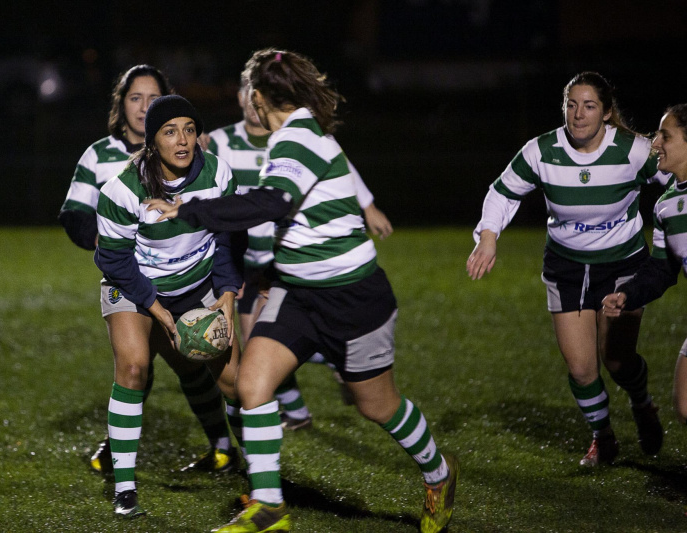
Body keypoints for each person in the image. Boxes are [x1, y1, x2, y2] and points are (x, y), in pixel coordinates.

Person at [146, 48, 458, 533]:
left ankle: (439, 473)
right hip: (297, 292)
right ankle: (269, 507)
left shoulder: (298, 138)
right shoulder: (292, 135)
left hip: (353, 296)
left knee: (377, 405)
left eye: (249, 88)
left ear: (259, 94)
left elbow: (273, 202)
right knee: (252, 385)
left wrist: (191, 210)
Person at [467, 72, 670, 466]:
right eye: (571, 105)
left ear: (607, 113)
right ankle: (603, 436)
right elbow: (503, 190)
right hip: (567, 267)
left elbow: (677, 177)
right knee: (580, 369)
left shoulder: (632, 150)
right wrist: (488, 235)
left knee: (617, 361)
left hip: (623, 266)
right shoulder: (542, 151)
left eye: (589, 105)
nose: (578, 115)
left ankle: (643, 404)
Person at [59, 66, 239, 482]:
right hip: (129, 280)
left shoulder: (193, 152)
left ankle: (225, 448)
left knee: (189, 362)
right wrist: (108, 243)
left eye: (151, 98)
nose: (143, 107)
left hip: (187, 278)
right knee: (136, 366)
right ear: (121, 104)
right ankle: (120, 459)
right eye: (134, 98)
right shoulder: (101, 156)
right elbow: (74, 215)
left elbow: (225, 223)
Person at [206, 74, 393, 430]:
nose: (250, 99)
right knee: (263, 342)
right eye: (244, 91)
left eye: (254, 92)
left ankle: (309, 392)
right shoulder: (220, 140)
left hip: (285, 259)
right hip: (246, 259)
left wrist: (367, 205)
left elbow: (343, 168)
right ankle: (295, 410)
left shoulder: (299, 137)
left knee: (266, 339)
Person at [603, 103, 687, 426]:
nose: (655, 144)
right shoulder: (666, 207)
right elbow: (662, 270)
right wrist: (627, 294)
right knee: (684, 405)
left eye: (665, 136)